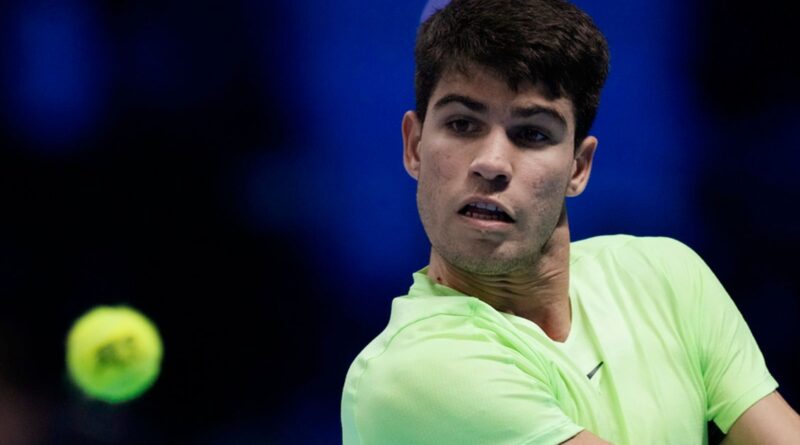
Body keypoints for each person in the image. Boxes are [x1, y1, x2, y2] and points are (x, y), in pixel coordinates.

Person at [340, 0, 800, 443]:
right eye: (463, 124)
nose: (492, 163)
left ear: (579, 167)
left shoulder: (665, 276)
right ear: (414, 146)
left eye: (532, 133)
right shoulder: (411, 371)